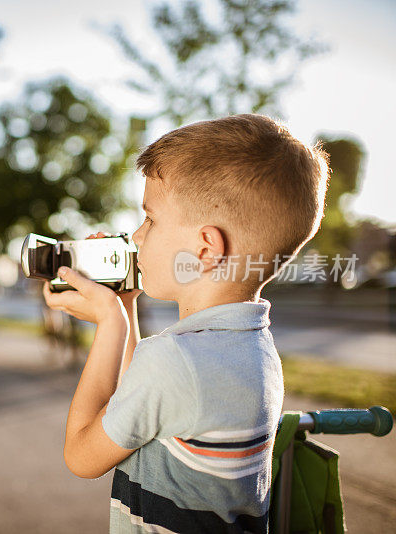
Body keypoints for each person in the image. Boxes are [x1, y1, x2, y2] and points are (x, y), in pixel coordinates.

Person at [43, 114, 329, 533]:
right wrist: (125, 306)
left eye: (151, 219)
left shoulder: (174, 360)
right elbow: (141, 406)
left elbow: (81, 456)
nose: (137, 237)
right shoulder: (253, 347)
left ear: (205, 248)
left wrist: (110, 325)